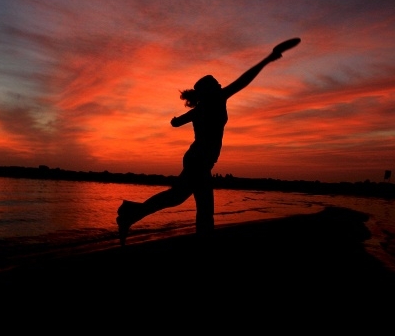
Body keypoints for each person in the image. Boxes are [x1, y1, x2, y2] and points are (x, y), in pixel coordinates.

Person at [116, 44, 289, 246]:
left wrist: (179, 119)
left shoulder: (202, 107)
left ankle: (130, 213)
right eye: (215, 83)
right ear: (209, 90)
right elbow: (244, 80)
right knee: (199, 205)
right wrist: (268, 59)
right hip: (198, 160)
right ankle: (134, 215)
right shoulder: (217, 99)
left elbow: (176, 123)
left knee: (177, 198)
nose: (220, 84)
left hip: (197, 159)